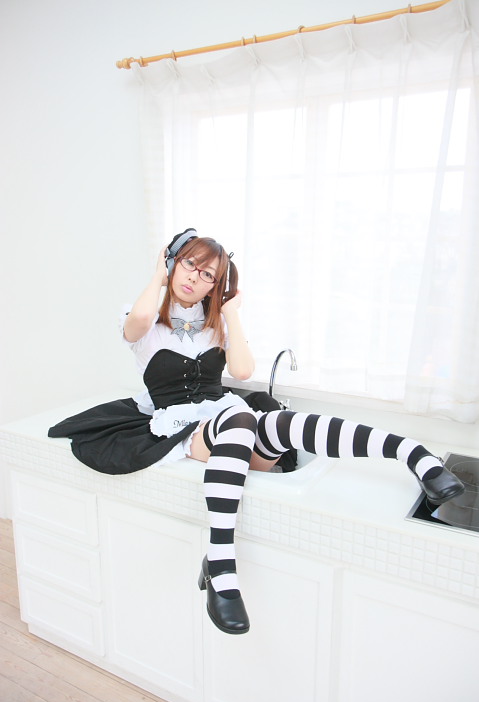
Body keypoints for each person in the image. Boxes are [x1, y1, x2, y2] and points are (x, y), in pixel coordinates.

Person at [48, 229, 465, 635]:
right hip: (181, 427)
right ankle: (221, 566)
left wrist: (230, 310)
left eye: (209, 275)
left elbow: (243, 371)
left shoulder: (215, 325)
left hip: (225, 420)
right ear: (173, 262)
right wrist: (158, 273)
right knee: (244, 419)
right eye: (189, 264)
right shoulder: (143, 321)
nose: (195, 277)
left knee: (280, 423)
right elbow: (140, 318)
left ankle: (414, 455)